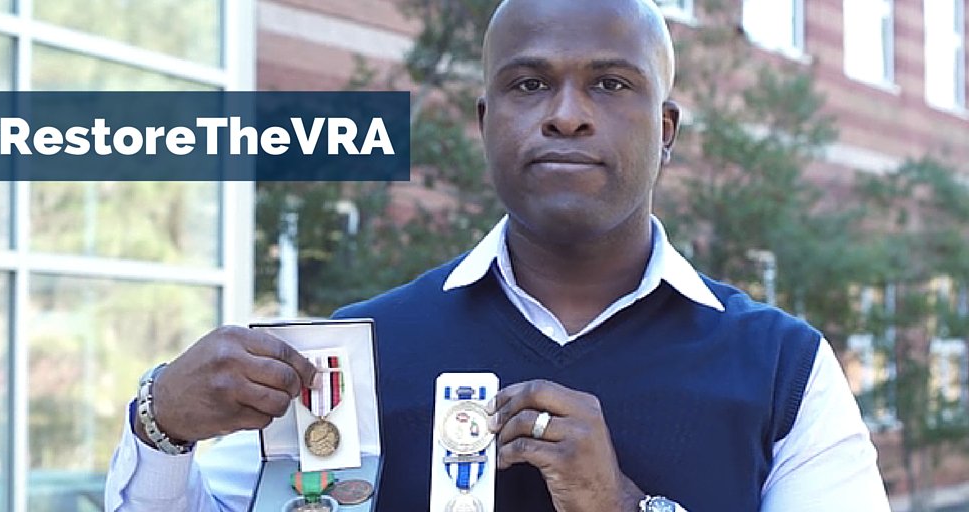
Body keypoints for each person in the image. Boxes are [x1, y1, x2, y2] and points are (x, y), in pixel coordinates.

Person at [105, 0, 891, 510]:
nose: (567, 115)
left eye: (611, 85)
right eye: (529, 85)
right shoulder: (350, 359)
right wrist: (161, 424)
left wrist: (625, 505)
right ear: (485, 123)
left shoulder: (783, 369)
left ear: (666, 131)